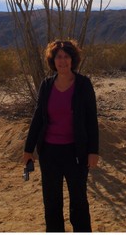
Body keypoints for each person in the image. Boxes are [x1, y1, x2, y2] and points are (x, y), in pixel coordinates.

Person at [23, 39, 99, 232]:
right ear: (53, 60)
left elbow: (91, 120)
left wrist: (93, 151)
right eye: (58, 57)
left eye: (66, 57)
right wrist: (28, 149)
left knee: (79, 203)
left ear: (72, 60)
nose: (62, 61)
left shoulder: (83, 84)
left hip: (76, 153)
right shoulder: (47, 85)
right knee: (51, 203)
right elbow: (38, 118)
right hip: (49, 153)